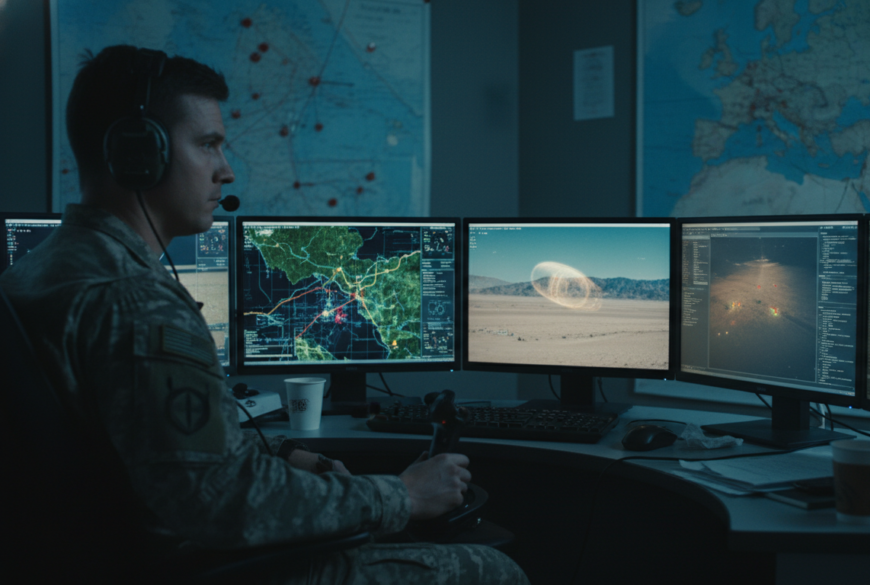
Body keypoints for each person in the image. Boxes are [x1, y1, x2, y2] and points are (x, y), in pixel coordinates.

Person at [0, 45, 527, 584]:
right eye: (208, 145)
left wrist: (286, 452)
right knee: (490, 569)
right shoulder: (138, 302)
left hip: (116, 553)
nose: (225, 172)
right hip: (196, 565)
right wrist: (403, 495)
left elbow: (154, 446)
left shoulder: (42, 271)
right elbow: (222, 501)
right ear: (139, 154)